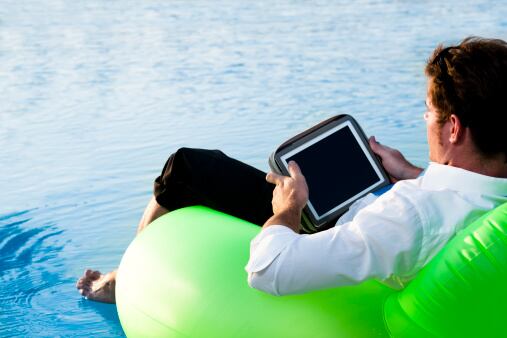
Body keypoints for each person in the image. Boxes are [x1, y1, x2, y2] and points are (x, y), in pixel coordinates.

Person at [77, 37, 507, 303]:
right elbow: (457, 198)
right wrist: (411, 170)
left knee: (188, 168)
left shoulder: (410, 215)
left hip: (338, 234)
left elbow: (269, 270)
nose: (423, 121)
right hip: (386, 208)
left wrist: (287, 208)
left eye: (429, 113)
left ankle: (125, 281)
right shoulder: (491, 197)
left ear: (453, 128)